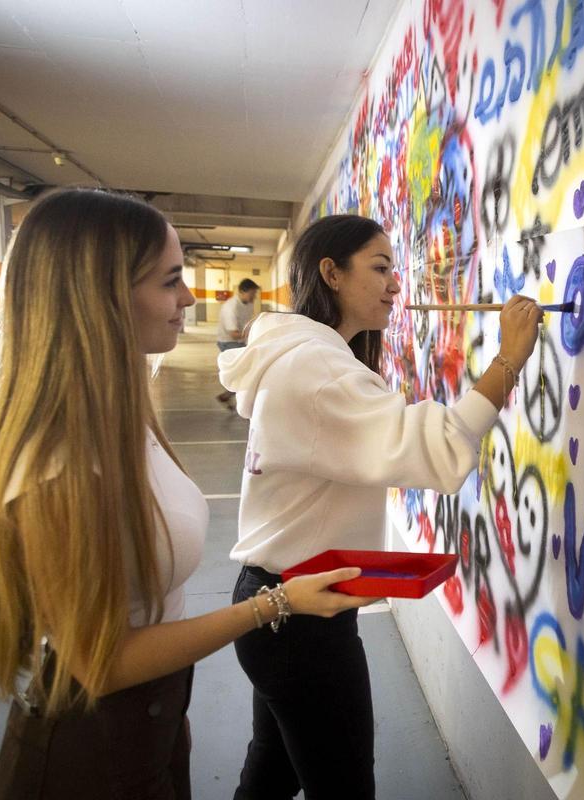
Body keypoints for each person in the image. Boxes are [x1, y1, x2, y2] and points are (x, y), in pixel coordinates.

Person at [0, 189, 378, 800]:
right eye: (169, 281)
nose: (189, 298)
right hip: (90, 755)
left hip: (153, 725)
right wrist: (272, 604)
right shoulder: (57, 463)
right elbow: (99, 662)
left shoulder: (123, 412)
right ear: (99, 296)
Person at [217, 214, 543, 799]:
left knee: (271, 773)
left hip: (278, 604)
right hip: (300, 621)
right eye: (380, 267)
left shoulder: (303, 355)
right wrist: (509, 359)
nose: (396, 283)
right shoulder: (315, 369)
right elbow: (438, 445)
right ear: (332, 273)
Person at [216, 277, 260, 409]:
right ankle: (242, 402)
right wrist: (256, 334)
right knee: (245, 371)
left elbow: (249, 323)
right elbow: (233, 334)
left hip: (241, 340)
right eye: (252, 294)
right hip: (228, 342)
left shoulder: (249, 303)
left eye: (255, 294)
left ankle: (228, 395)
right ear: (242, 292)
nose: (254, 297)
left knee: (248, 370)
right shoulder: (230, 307)